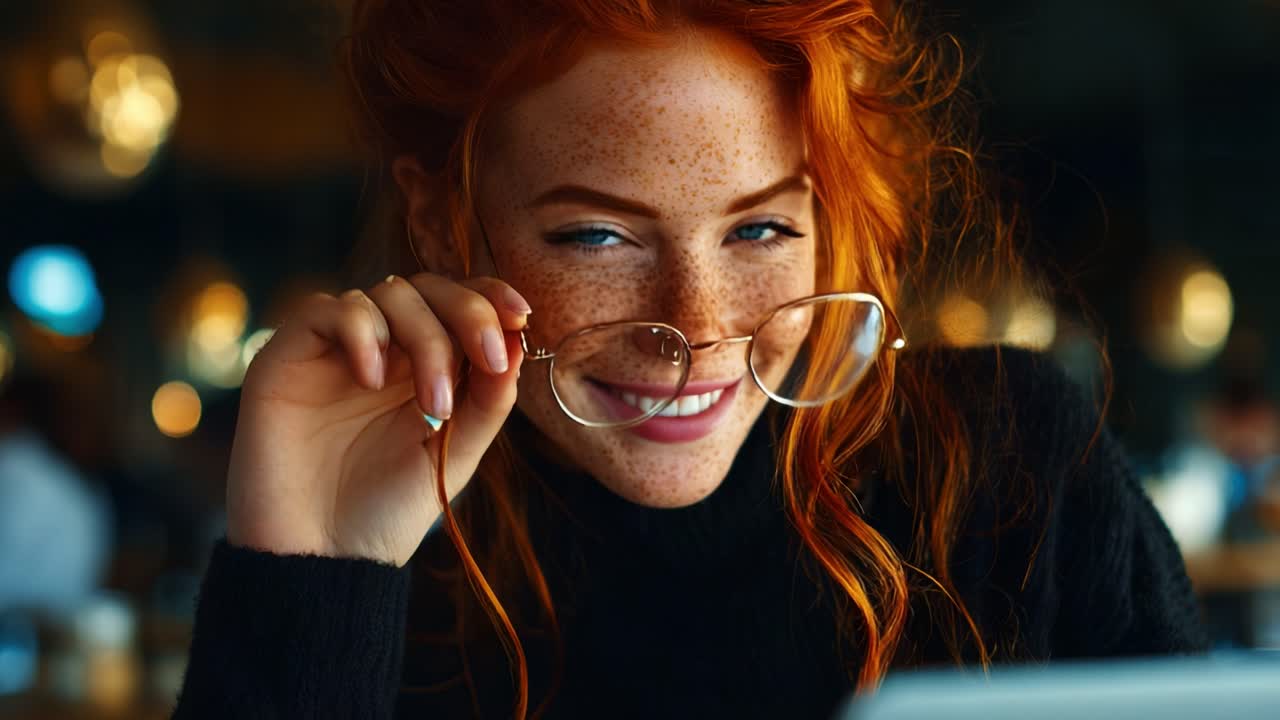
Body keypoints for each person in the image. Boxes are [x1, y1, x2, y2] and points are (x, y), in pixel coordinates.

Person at [172, 1, 1206, 717]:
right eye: (596, 237)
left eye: (758, 232)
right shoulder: (394, 552)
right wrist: (317, 577)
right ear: (442, 219)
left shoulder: (1009, 464)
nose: (699, 326)